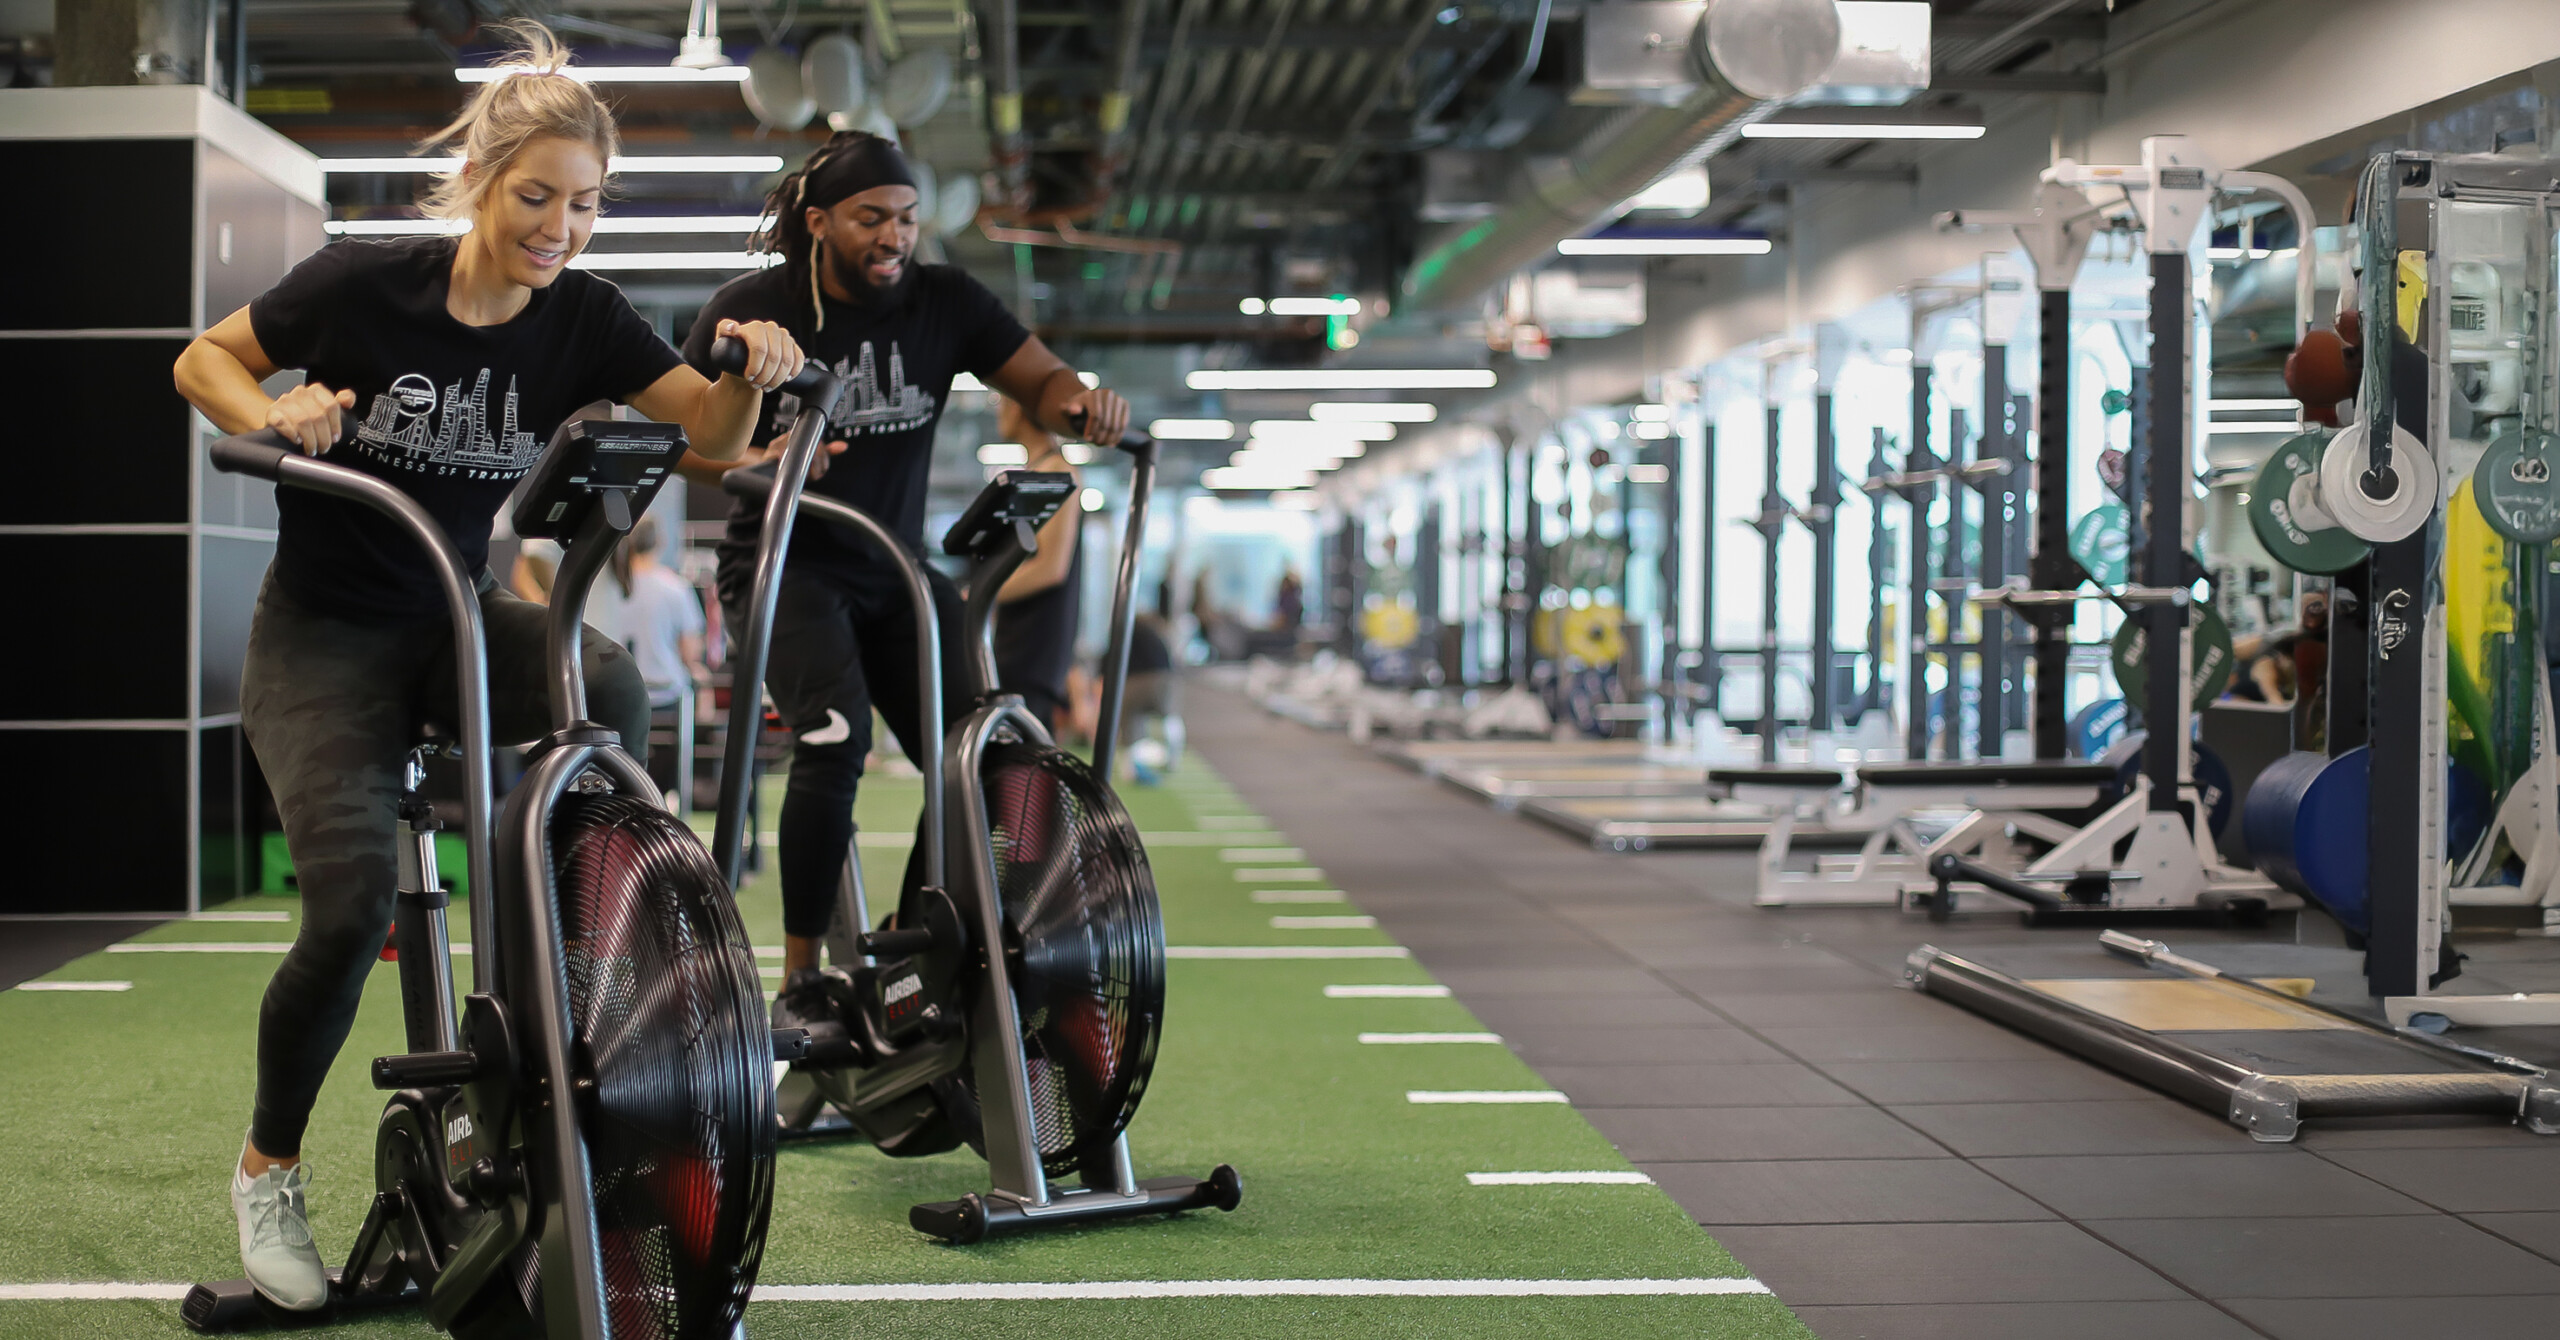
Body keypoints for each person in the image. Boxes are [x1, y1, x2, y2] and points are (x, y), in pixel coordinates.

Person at [169, 22, 807, 1313]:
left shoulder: (584, 316)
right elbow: (204, 361)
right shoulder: (363, 284)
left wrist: (755, 370)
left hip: (453, 619)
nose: (559, 227)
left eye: (583, 205)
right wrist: (275, 415)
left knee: (610, 686)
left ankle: (577, 979)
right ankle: (269, 1165)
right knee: (348, 914)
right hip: (323, 640)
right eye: (536, 197)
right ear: (481, 177)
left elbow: (710, 441)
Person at [673, 130, 1129, 1011]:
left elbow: (1042, 379)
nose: (894, 235)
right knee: (835, 741)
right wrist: (758, 459)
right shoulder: (758, 307)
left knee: (986, 752)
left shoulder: (944, 301)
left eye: (908, 219)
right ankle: (802, 978)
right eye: (871, 218)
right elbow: (682, 441)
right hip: (784, 563)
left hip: (893, 567)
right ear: (819, 222)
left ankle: (924, 945)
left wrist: (1082, 406)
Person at [991, 395, 1085, 736]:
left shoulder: (1059, 472)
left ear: (1019, 405)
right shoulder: (1036, 473)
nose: (998, 409)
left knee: (1027, 754)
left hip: (1037, 644)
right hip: (1016, 639)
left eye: (1001, 399)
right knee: (1012, 750)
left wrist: (983, 594)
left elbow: (1052, 568)